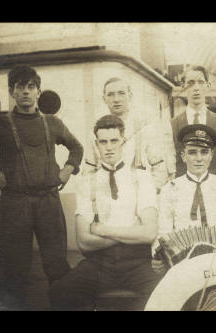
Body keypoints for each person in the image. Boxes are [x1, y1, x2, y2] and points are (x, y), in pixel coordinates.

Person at [0, 65, 84, 309]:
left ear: (38, 92)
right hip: (16, 204)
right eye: (19, 87)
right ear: (11, 92)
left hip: (49, 202)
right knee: (16, 267)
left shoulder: (53, 123)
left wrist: (68, 169)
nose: (25, 92)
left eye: (31, 87)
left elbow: (76, 148)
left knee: (57, 264)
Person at [49, 115, 161, 311]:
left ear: (123, 142)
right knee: (60, 290)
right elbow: (83, 241)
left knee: (163, 293)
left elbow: (149, 233)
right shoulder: (87, 182)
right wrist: (132, 232)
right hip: (100, 263)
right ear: (96, 144)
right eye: (103, 142)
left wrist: (101, 229)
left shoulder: (142, 178)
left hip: (137, 262)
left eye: (114, 141)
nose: (109, 147)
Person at [152, 124, 216, 273]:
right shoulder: (169, 189)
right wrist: (157, 257)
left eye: (204, 152)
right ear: (183, 156)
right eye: (192, 152)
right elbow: (163, 232)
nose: (199, 158)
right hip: (183, 265)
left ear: (211, 156)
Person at [83, 77, 174, 191]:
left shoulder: (144, 128)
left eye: (121, 93)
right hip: (106, 193)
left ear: (130, 96)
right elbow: (89, 171)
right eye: (110, 94)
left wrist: (148, 196)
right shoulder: (96, 132)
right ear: (104, 99)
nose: (116, 99)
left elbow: (159, 168)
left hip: (138, 193)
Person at [168, 66, 216, 178]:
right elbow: (170, 163)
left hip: (214, 187)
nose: (196, 88)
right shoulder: (171, 124)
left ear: (208, 86)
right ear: (183, 87)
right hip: (184, 189)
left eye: (201, 82)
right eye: (191, 83)